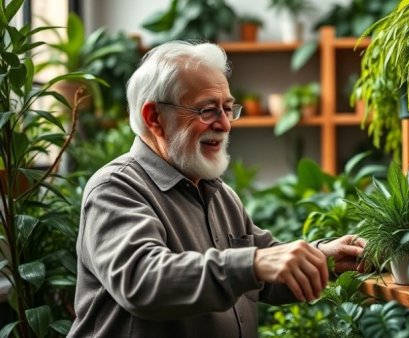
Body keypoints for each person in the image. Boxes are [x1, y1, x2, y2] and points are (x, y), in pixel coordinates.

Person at [67, 40, 365, 338]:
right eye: (208, 110)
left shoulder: (218, 194)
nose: (224, 124)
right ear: (154, 117)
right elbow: (142, 281)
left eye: (227, 108)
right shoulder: (115, 188)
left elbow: (266, 267)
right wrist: (253, 264)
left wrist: (323, 256)